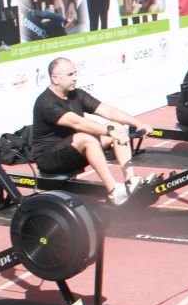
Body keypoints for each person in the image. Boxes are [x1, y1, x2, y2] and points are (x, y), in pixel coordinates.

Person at [30, 57, 153, 205]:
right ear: (55, 78)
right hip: (49, 159)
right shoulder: (46, 102)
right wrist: (109, 132)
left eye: (75, 73)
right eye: (70, 75)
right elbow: (78, 123)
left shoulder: (77, 94)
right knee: (87, 138)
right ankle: (114, 191)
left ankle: (130, 180)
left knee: (118, 127)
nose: (75, 78)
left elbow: (107, 111)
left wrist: (138, 124)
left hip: (73, 149)